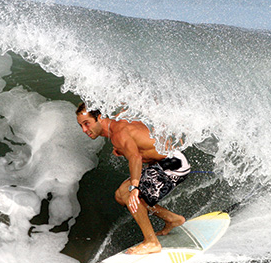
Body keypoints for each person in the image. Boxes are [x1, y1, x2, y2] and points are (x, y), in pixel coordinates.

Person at [75, 103, 190, 254]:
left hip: (173, 165)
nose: (84, 130)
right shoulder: (118, 124)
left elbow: (135, 158)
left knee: (128, 193)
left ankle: (151, 242)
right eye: (81, 125)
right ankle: (172, 219)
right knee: (120, 196)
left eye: (87, 123)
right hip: (166, 162)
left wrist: (135, 187)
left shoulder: (118, 134)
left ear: (99, 117)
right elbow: (143, 144)